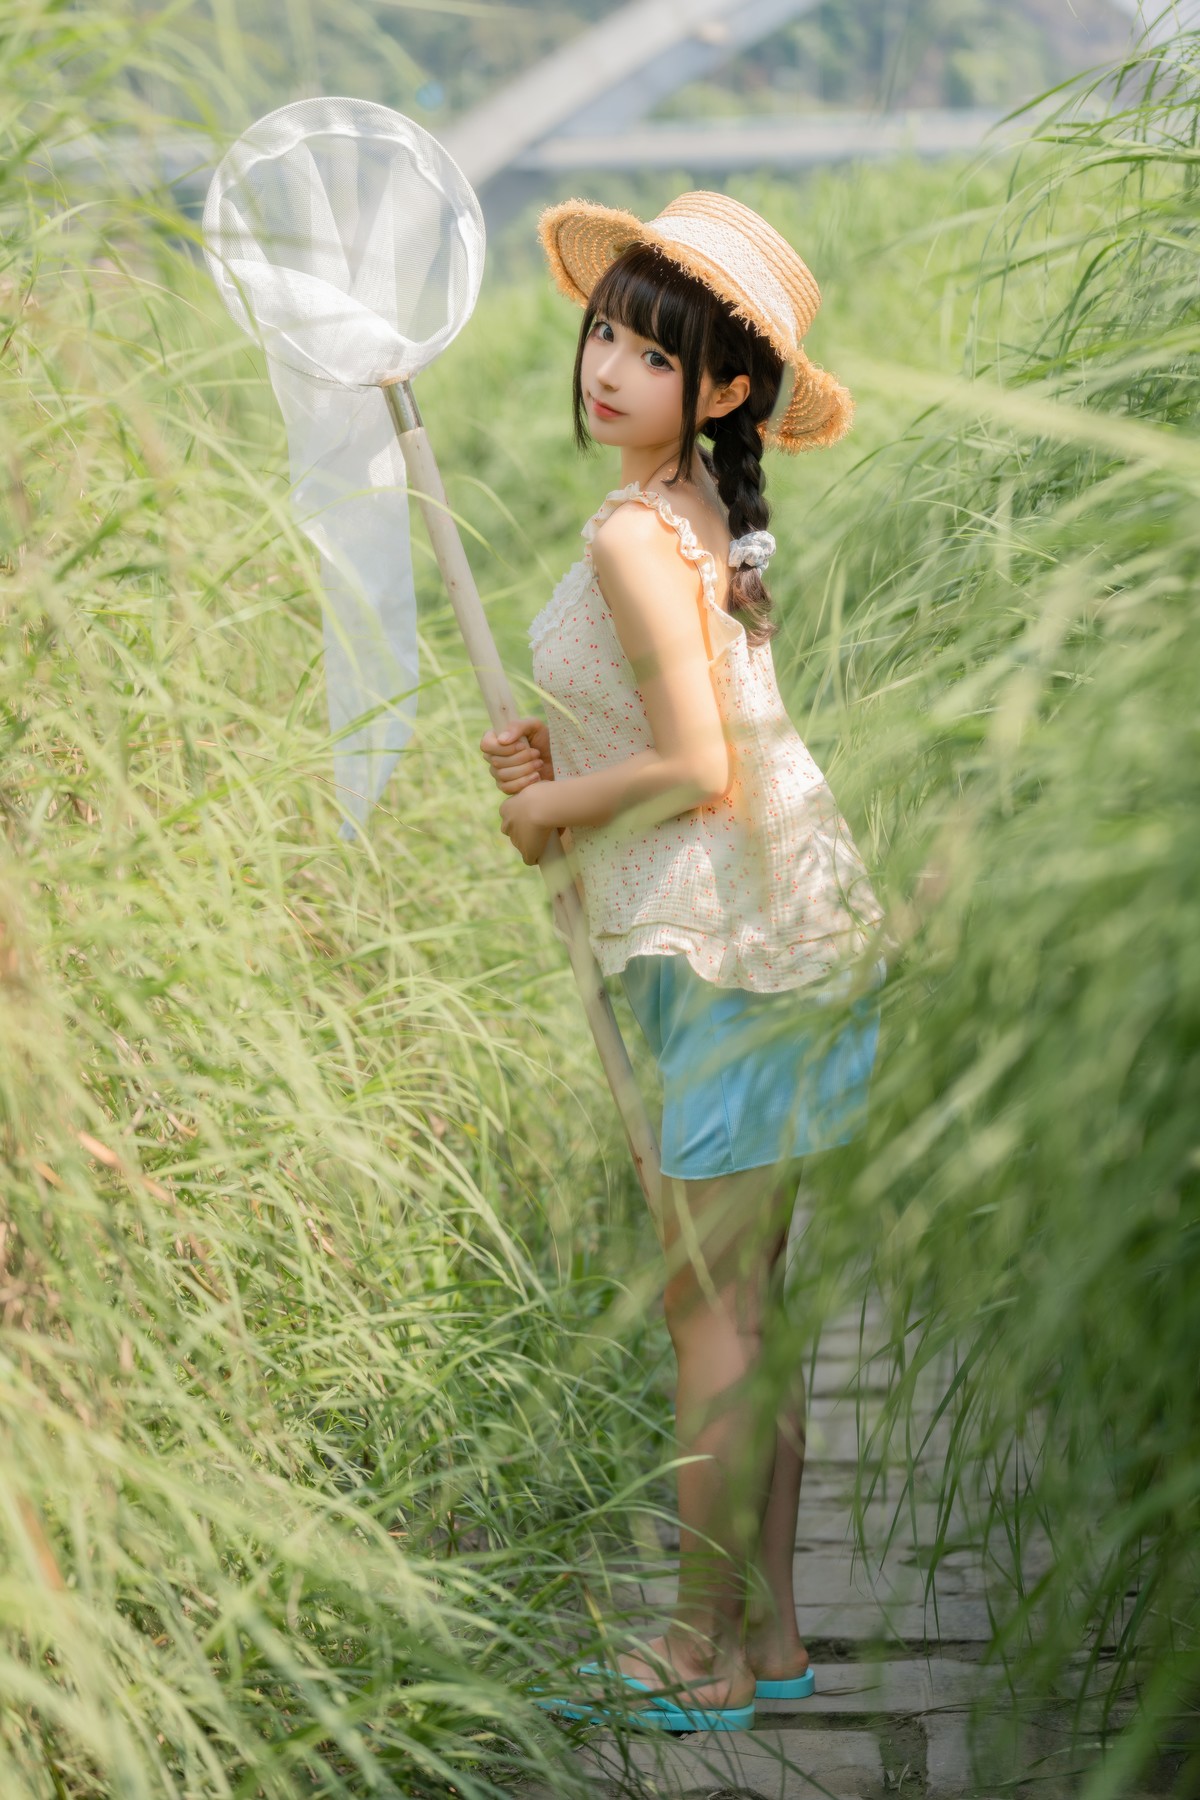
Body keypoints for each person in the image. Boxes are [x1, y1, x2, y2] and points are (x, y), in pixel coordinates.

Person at [478, 192, 888, 1734]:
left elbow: (698, 766)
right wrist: (565, 758)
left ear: (721, 389)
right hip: (786, 925)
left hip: (724, 943)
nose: (607, 368)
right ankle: (767, 1636)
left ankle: (691, 1645)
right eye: (605, 334)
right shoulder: (701, 508)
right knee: (748, 1311)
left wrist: (545, 812)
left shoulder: (630, 531)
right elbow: (689, 722)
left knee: (707, 1319)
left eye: (653, 355)